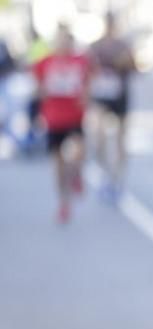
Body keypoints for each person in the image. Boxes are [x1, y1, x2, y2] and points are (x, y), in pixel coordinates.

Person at [33, 24, 90, 224]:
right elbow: (38, 90)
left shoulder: (80, 61)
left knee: (77, 152)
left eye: (66, 40)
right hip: (54, 118)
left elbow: (89, 81)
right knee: (57, 164)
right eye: (59, 40)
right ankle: (63, 203)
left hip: (74, 117)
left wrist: (85, 97)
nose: (62, 44)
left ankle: (76, 174)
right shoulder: (44, 63)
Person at [89, 12, 136, 203]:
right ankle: (105, 174)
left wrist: (124, 62)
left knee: (120, 139)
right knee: (99, 136)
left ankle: (118, 178)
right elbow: (88, 69)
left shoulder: (123, 45)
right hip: (101, 95)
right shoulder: (96, 46)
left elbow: (134, 67)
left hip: (119, 95)